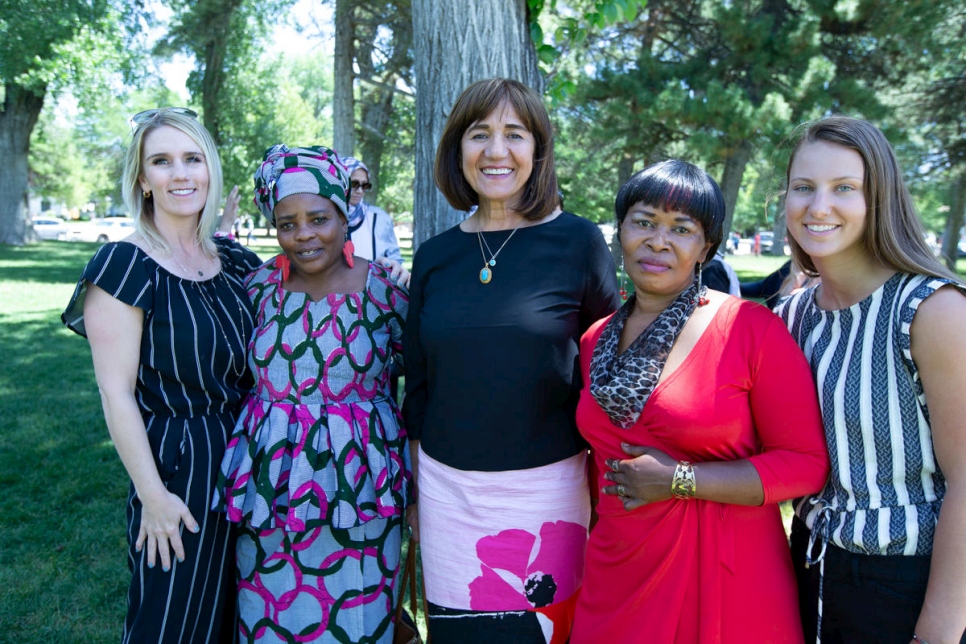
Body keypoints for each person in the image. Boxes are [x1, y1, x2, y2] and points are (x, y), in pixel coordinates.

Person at [570, 160, 830, 643]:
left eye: (681, 229)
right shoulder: (593, 340)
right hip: (616, 572)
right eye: (644, 221)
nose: (658, 241)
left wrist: (679, 481)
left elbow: (805, 464)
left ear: (705, 247)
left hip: (724, 578)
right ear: (619, 230)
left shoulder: (749, 330)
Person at [403, 78, 620, 642]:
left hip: (548, 495)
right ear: (457, 150)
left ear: (538, 150)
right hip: (448, 494)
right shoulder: (434, 257)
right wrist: (416, 497)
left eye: (514, 134)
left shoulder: (578, 243)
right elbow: (419, 389)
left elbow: (610, 369)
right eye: (480, 134)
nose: (496, 151)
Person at [62, 107, 263, 643]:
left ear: (210, 169)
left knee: (240, 619)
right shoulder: (124, 266)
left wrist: (383, 277)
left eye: (192, 159)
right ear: (142, 180)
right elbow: (116, 393)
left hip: (250, 467)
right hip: (179, 467)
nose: (180, 174)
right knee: (173, 622)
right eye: (162, 161)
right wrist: (153, 496)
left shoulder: (238, 263)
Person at [775, 116, 966, 644]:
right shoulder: (791, 317)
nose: (818, 207)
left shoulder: (931, 310)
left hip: (909, 582)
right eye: (803, 187)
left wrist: (938, 634)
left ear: (879, 198)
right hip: (808, 567)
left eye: (845, 188)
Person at [212, 144, 411, 643]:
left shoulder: (386, 288)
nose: (303, 235)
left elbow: (423, 381)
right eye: (287, 223)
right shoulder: (256, 289)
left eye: (319, 218)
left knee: (359, 617)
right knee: (270, 611)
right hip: (271, 487)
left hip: (361, 489)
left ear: (346, 214)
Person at [342, 156, 403, 264]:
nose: (360, 191)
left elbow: (395, 259)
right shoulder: (326, 218)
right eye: (354, 184)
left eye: (365, 185)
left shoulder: (380, 218)